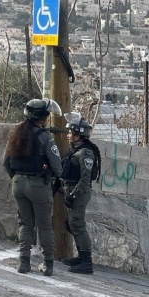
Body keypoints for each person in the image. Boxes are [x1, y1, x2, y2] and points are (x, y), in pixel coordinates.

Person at [3, 98, 63, 276]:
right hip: (38, 185)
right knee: (44, 225)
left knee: (25, 223)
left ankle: (23, 263)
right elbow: (57, 167)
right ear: (43, 117)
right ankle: (48, 264)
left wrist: (16, 177)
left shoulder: (16, 134)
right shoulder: (45, 137)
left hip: (18, 184)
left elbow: (5, 162)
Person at [59, 113, 101, 274]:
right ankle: (80, 256)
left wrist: (73, 195)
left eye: (71, 132)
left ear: (78, 134)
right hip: (72, 190)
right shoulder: (75, 150)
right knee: (71, 224)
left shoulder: (85, 153)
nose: (68, 135)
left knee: (78, 224)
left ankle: (86, 261)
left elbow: (85, 179)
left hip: (80, 192)